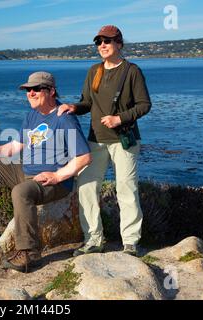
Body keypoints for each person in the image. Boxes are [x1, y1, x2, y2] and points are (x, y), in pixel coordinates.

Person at [0, 71, 91, 273]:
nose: (30, 93)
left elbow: (84, 157)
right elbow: (16, 146)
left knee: (21, 191)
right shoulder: (32, 115)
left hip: (53, 182)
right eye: (28, 90)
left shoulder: (64, 118)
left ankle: (29, 253)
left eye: (36, 89)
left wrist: (58, 176)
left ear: (51, 91)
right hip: (27, 172)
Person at [58, 25, 152, 257]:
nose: (102, 45)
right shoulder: (94, 71)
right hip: (96, 140)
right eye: (99, 42)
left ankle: (130, 243)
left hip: (123, 141)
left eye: (107, 41)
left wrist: (119, 118)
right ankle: (93, 240)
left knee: (126, 190)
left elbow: (144, 105)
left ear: (119, 44)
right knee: (87, 188)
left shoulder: (132, 71)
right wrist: (73, 107)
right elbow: (87, 102)